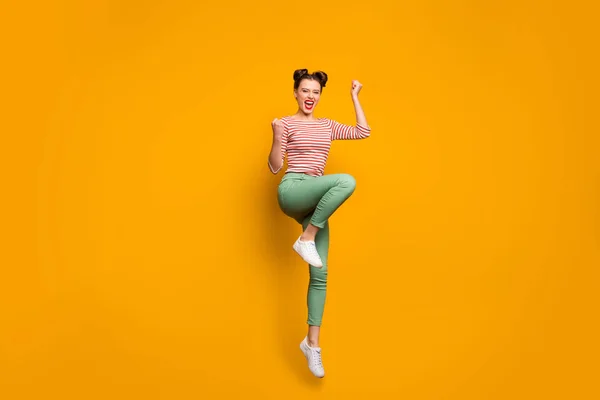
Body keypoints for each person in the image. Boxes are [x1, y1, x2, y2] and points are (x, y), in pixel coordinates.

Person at [267, 69, 371, 378]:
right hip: (293, 190)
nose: (310, 96)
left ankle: (312, 344)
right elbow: (274, 167)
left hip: (316, 203)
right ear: (295, 93)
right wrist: (275, 136)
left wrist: (354, 96)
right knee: (346, 181)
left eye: (315, 92)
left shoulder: (327, 126)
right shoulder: (285, 123)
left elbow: (362, 132)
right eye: (305, 91)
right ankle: (307, 238)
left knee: (320, 274)